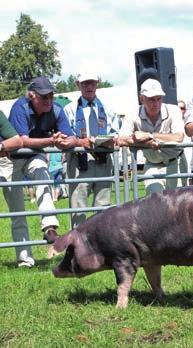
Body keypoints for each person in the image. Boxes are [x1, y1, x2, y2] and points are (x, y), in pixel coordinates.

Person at [3, 76, 78, 267]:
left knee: (42, 170)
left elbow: (72, 138)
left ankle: (49, 227)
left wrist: (64, 142)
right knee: (16, 210)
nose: (49, 100)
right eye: (44, 96)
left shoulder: (56, 110)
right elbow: (21, 140)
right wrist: (51, 141)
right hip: (10, 160)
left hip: (34, 157)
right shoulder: (20, 107)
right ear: (31, 96)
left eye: (51, 95)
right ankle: (25, 259)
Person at [63, 72, 114, 228]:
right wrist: (81, 142)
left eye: (92, 83)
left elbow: (115, 133)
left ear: (97, 84)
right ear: (78, 85)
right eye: (85, 83)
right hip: (79, 161)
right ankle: (78, 248)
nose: (89, 87)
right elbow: (66, 135)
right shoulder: (70, 109)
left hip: (103, 159)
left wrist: (104, 141)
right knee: (78, 206)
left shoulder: (107, 108)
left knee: (103, 205)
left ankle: (101, 246)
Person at [118, 78, 185, 195]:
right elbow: (121, 139)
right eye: (151, 99)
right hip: (152, 164)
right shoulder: (133, 114)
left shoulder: (173, 110)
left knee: (177, 207)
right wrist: (145, 143)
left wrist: (149, 135)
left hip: (176, 163)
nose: (156, 103)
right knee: (155, 202)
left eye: (159, 98)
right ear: (141, 99)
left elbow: (179, 136)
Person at [178, 100, 190, 186]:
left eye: (182, 108)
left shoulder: (189, 123)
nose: (180, 111)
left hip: (188, 159)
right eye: (178, 108)